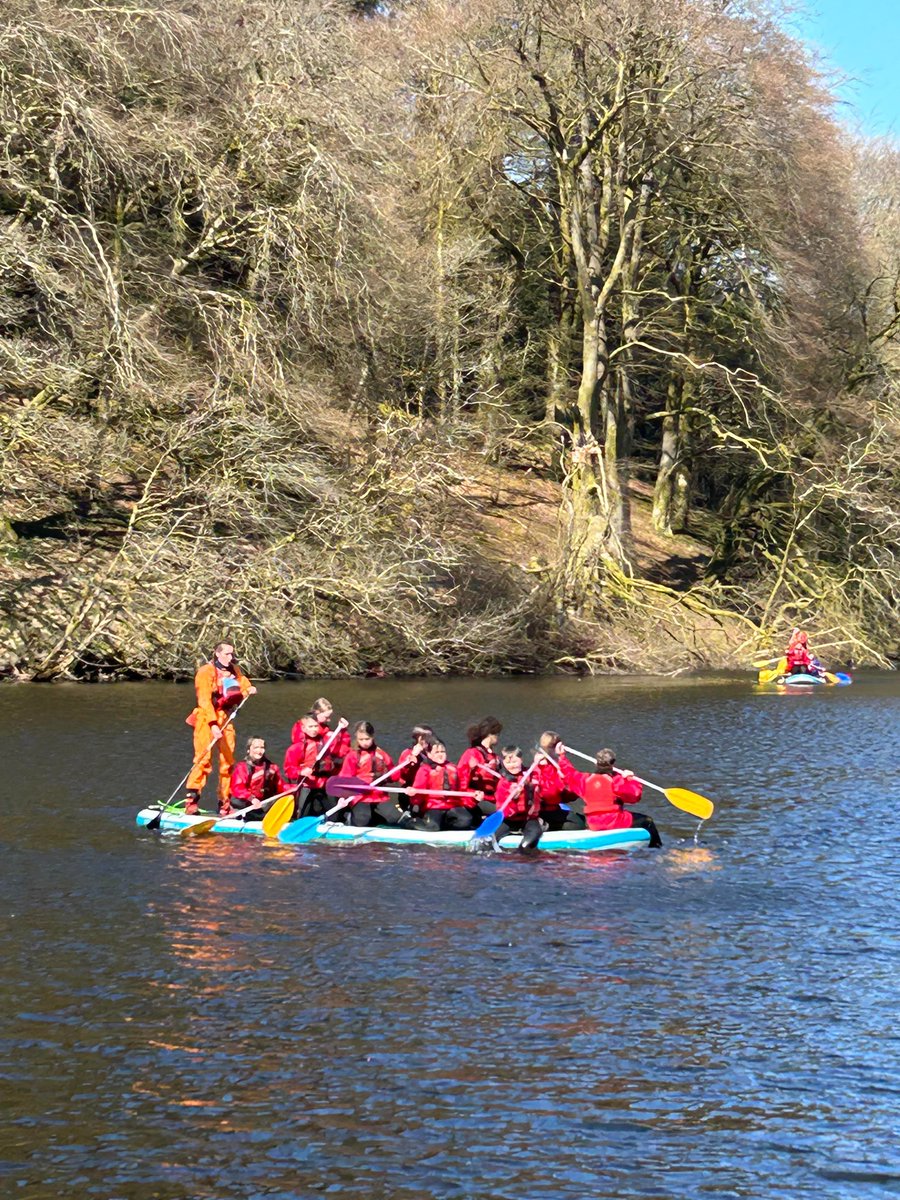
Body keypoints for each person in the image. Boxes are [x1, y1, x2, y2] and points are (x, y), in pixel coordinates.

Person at [184, 642, 257, 814]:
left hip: (226, 718)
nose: (230, 658)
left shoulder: (234, 670)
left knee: (228, 762)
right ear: (217, 654)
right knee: (203, 760)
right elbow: (204, 700)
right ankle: (191, 801)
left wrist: (250, 689)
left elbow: (243, 684)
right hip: (206, 718)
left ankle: (225, 802)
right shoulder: (205, 672)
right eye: (226, 654)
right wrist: (213, 724)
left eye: (232, 654)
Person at [555, 744, 663, 847]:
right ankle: (657, 848)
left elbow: (568, 774)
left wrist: (561, 756)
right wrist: (630, 780)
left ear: (596, 763)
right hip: (615, 821)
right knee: (648, 821)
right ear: (613, 763)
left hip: (593, 824)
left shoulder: (585, 780)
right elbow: (635, 796)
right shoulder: (617, 781)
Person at [284, 712, 349, 819]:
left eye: (316, 726)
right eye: (310, 726)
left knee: (335, 815)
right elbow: (288, 770)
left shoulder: (327, 742)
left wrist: (343, 730)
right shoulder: (296, 748)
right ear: (304, 728)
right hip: (307, 785)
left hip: (325, 784)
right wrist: (301, 771)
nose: (314, 729)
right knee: (303, 814)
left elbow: (343, 750)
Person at [340, 722, 405, 827]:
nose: (364, 742)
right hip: (360, 796)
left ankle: (376, 816)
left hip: (378, 795)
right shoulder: (352, 756)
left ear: (372, 737)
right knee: (362, 821)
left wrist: (389, 774)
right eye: (361, 739)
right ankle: (349, 817)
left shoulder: (381, 754)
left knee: (396, 818)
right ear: (356, 738)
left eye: (367, 739)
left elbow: (394, 775)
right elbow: (345, 778)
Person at [408, 739, 482, 831]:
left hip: (452, 806)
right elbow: (418, 788)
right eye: (436, 752)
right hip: (433, 806)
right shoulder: (425, 769)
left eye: (442, 751)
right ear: (429, 754)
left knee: (466, 819)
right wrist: (414, 796)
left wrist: (474, 796)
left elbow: (462, 788)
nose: (440, 754)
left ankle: (446, 826)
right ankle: (410, 822)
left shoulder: (454, 768)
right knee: (433, 827)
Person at [490, 746, 544, 849]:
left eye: (515, 761)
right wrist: (514, 798)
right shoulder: (503, 783)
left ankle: (523, 853)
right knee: (490, 840)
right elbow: (503, 810)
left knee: (531, 838)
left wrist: (538, 762)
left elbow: (540, 776)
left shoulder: (531, 774)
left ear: (521, 760)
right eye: (508, 763)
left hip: (528, 819)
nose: (512, 766)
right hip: (508, 820)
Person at [228, 737, 288, 819]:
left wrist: (294, 788)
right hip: (245, 803)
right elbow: (238, 788)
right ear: (248, 750)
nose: (259, 751)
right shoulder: (241, 767)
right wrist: (251, 798)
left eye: (262, 748)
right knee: (238, 801)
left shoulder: (272, 767)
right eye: (256, 747)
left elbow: (280, 786)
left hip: (262, 803)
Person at [535, 731, 583, 831]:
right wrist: (564, 782)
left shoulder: (556, 764)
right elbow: (549, 793)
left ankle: (550, 826)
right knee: (578, 824)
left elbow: (571, 794)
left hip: (553, 807)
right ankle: (546, 825)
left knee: (577, 820)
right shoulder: (541, 766)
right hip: (545, 810)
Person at [290, 697, 351, 765]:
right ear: (317, 712)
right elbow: (299, 747)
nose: (329, 720)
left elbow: (341, 751)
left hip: (325, 762)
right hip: (309, 763)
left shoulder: (325, 729)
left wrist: (342, 730)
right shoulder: (301, 726)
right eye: (326, 717)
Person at [457, 717, 503, 799]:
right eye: (497, 734)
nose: (498, 737)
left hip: (493, 798)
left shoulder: (494, 756)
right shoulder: (472, 753)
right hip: (476, 797)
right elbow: (461, 779)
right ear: (490, 734)